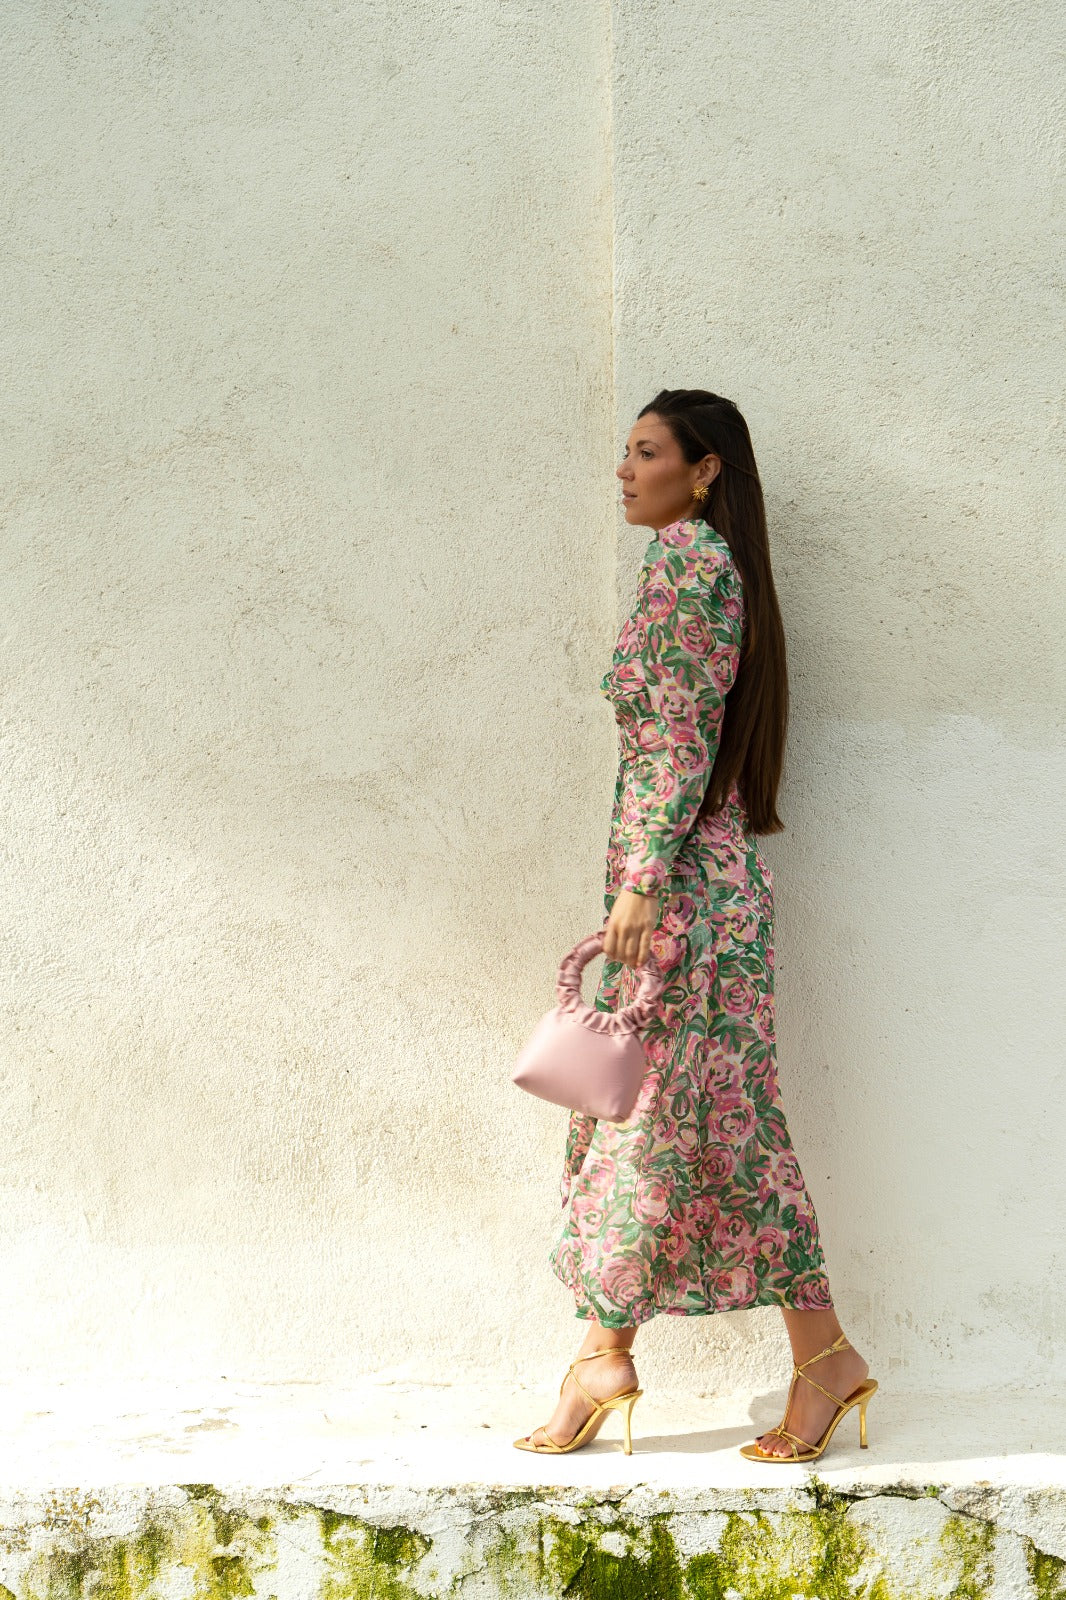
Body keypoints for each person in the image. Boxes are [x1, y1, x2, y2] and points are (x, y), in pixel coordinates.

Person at [514, 389, 877, 1464]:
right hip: (692, 887)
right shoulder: (704, 565)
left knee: (676, 1123)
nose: (624, 470)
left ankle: (778, 1359)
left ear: (704, 469)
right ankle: (627, 1356)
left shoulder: (687, 563)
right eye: (624, 452)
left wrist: (638, 882)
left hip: (680, 894)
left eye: (646, 452)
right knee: (677, 1123)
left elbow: (677, 739)